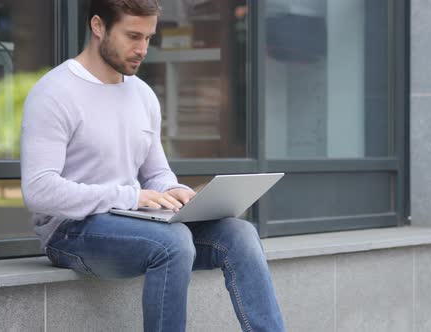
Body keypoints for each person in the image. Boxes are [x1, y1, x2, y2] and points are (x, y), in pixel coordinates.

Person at [20, 1, 285, 331]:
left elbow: (156, 173)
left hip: (133, 224)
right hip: (71, 231)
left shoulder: (142, 95)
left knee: (240, 234)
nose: (142, 49)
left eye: (148, 38)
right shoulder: (54, 93)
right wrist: (132, 197)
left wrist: (176, 192)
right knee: (172, 243)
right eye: (133, 36)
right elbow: (39, 191)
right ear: (98, 26)